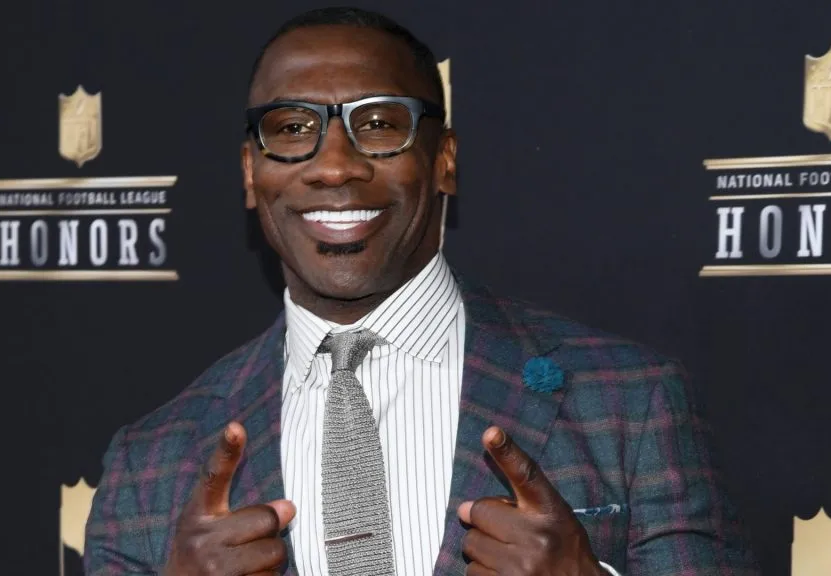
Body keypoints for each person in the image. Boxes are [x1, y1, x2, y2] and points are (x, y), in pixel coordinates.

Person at [84, 6, 759, 576]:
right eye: (292, 130)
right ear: (250, 174)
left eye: (378, 125)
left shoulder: (633, 404)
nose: (335, 164)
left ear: (444, 160)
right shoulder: (152, 460)